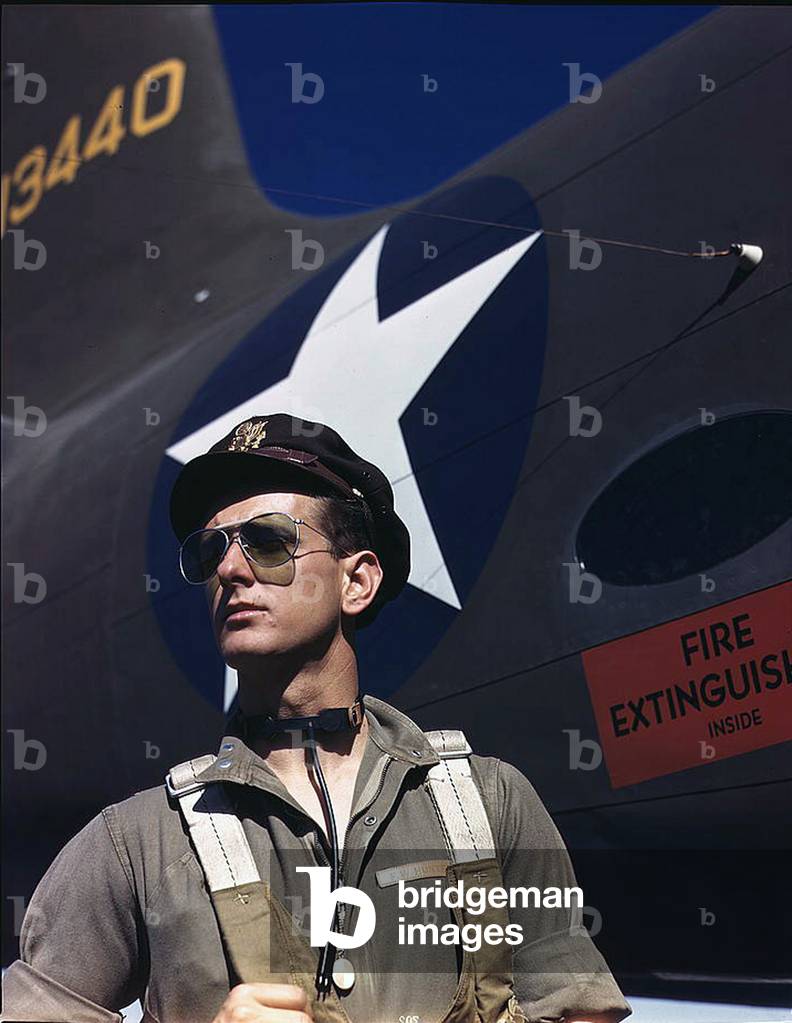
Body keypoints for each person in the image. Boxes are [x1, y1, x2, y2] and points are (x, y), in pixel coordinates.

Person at [2, 414, 631, 1023]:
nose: (228, 569)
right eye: (210, 550)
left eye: (270, 541)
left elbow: (579, 1011)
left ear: (356, 582)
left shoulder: (492, 805)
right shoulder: (135, 843)